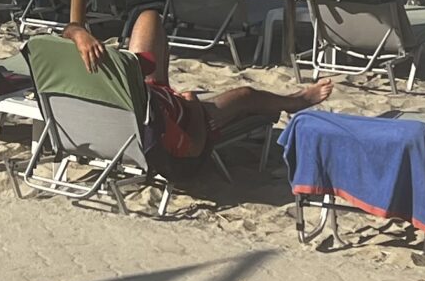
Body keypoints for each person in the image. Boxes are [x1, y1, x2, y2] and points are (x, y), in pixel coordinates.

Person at [65, 11, 329, 166]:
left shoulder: (100, 91)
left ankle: (163, 85)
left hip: (141, 90)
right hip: (182, 116)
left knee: (149, 17)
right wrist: (191, 107)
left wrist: (79, 34)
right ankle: (296, 101)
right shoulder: (160, 131)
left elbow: (68, 29)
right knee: (245, 96)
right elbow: (193, 149)